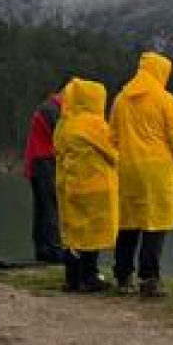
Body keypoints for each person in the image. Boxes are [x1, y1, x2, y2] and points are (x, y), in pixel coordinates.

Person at [110, 51, 173, 298]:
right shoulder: (165, 99)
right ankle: (149, 280)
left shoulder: (120, 100)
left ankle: (123, 276)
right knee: (155, 224)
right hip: (157, 169)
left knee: (128, 223)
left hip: (127, 168)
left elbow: (112, 137)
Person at [53, 77, 119, 293]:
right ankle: (90, 277)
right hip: (94, 186)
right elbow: (113, 152)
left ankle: (72, 278)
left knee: (73, 235)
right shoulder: (93, 124)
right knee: (92, 235)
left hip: (69, 185)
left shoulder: (65, 125)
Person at [24, 89, 65, 264]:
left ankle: (43, 250)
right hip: (44, 161)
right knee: (50, 207)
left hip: (37, 161)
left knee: (42, 208)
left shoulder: (47, 107)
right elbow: (63, 137)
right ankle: (54, 250)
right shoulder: (53, 110)